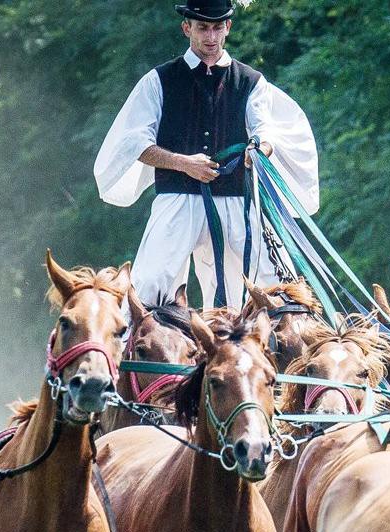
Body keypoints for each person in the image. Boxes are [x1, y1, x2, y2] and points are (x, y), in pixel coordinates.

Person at [94, 0, 318, 309]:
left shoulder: (251, 82)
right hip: (178, 199)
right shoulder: (159, 80)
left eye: (216, 28)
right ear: (187, 28)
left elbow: (266, 132)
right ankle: (126, 353)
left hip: (239, 201)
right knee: (148, 287)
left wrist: (257, 152)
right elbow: (135, 143)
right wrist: (182, 163)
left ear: (228, 27)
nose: (210, 38)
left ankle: (295, 353)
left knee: (281, 288)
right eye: (202, 28)